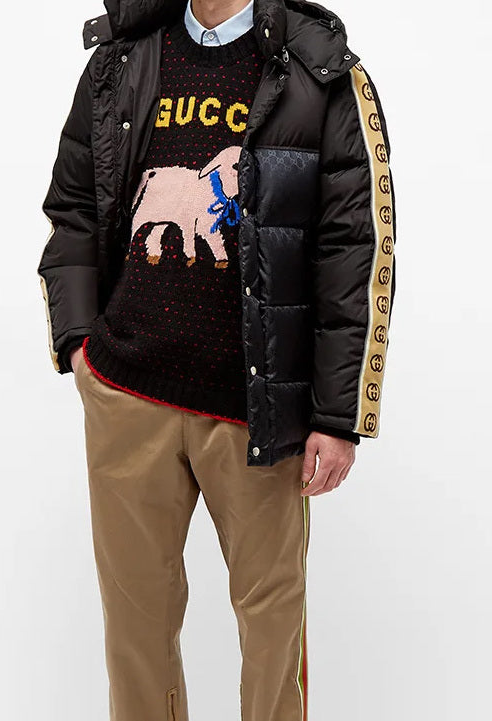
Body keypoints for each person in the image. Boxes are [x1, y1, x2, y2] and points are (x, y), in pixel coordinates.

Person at [36, 1, 396, 719]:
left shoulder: (323, 73)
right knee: (134, 630)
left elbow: (356, 250)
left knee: (272, 628)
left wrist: (337, 415)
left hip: (257, 409)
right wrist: (79, 345)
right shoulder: (119, 61)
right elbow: (74, 205)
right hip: (128, 391)